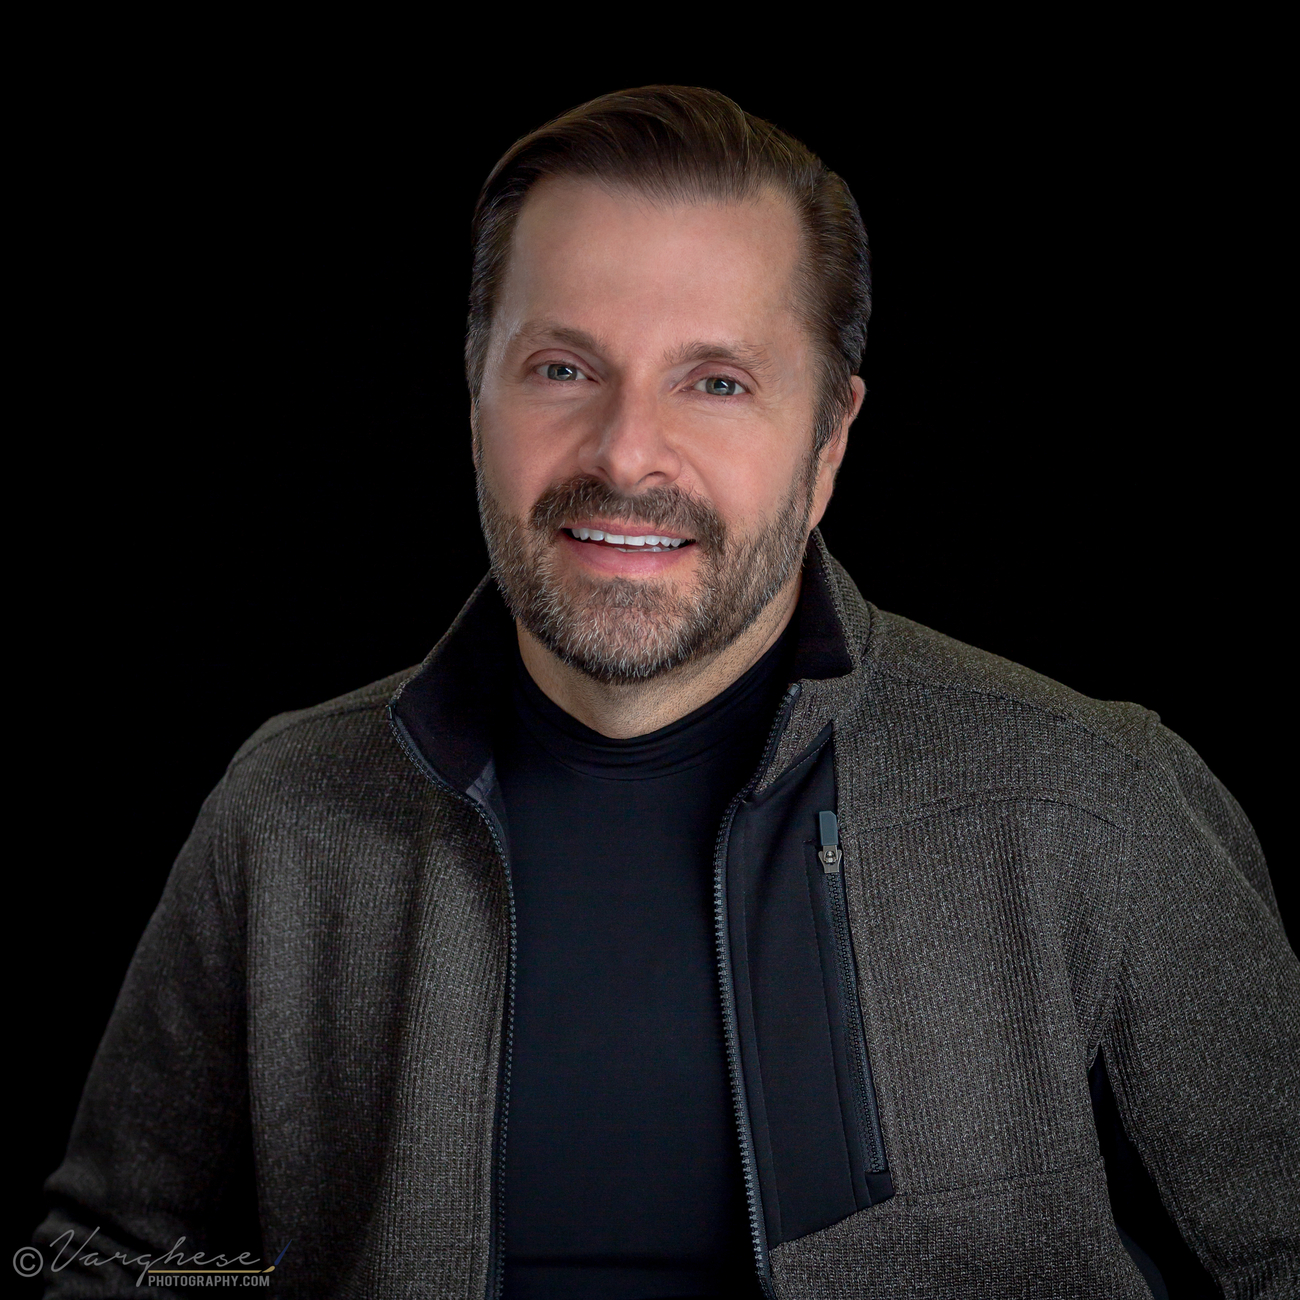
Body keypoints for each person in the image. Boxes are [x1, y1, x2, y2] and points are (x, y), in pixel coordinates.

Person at [35, 86, 1297, 1300]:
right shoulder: (286, 811)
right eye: (562, 368)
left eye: (717, 381)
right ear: (475, 399)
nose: (627, 449)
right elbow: (111, 1258)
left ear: (829, 439)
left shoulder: (1090, 800)